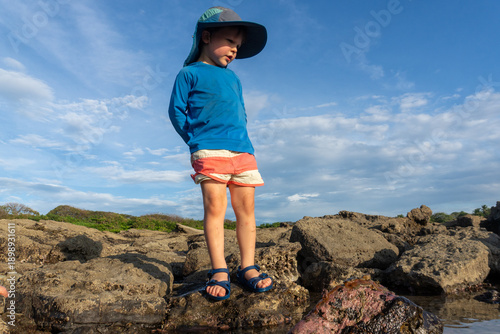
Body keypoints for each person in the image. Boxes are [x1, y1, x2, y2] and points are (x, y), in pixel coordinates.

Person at [168, 7, 273, 301]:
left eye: (237, 46)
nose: (234, 51)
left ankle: (248, 267)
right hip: (209, 149)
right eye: (229, 42)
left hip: (243, 151)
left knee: (246, 211)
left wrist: (243, 139)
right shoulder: (189, 73)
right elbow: (176, 111)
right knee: (215, 208)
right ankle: (219, 270)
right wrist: (194, 140)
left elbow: (241, 113)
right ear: (206, 37)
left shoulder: (234, 79)